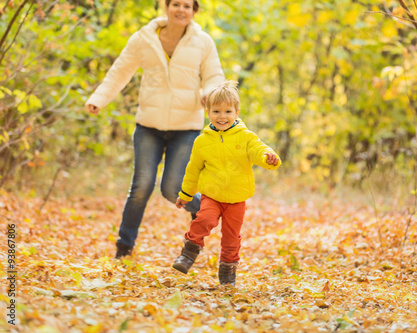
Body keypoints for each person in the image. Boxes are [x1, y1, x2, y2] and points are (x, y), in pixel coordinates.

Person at [85, 0, 225, 259]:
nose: (181, 9)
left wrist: (210, 93)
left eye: (187, 5)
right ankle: (124, 247)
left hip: (186, 127)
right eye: (175, 4)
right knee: (141, 186)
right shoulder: (144, 38)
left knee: (172, 188)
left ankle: (204, 209)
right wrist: (98, 98)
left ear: (194, 11)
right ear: (166, 7)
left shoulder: (203, 42)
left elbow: (214, 75)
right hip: (148, 126)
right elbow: (120, 71)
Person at [171, 80, 281, 285]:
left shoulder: (246, 137)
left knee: (231, 237)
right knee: (204, 220)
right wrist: (185, 195)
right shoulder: (202, 141)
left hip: (237, 198)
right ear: (208, 112)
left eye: (228, 111)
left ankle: (228, 271)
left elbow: (259, 150)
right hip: (212, 194)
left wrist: (269, 157)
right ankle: (188, 253)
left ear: (237, 112)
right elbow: (193, 170)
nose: (222, 116)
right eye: (216, 111)